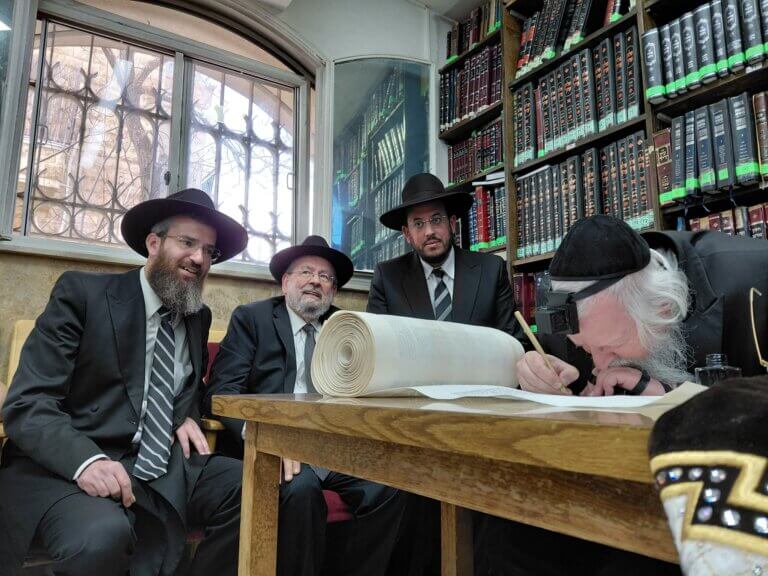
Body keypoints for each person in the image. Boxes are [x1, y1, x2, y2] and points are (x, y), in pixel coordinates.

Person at [0, 188, 248, 576]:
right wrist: (85, 461)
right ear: (154, 243)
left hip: (159, 462)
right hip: (70, 460)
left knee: (253, 486)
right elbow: (29, 403)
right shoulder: (82, 294)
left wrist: (184, 413)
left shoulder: (196, 317)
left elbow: (189, 386)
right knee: (103, 534)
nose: (199, 259)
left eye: (209, 251)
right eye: (187, 242)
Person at [205, 235, 404, 576]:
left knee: (392, 487)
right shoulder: (252, 319)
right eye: (306, 272)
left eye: (325, 277)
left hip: (333, 446)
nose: (315, 281)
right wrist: (266, 438)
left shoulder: (347, 328)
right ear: (285, 282)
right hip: (273, 447)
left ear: (333, 291)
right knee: (302, 491)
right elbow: (221, 394)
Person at [366, 172, 526, 576]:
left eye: (436, 219)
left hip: (483, 418)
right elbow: (376, 351)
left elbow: (510, 342)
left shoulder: (490, 270)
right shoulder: (388, 276)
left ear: (452, 222)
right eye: (418, 224)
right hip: (414, 423)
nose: (430, 231)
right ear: (406, 234)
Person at [516, 214, 768, 397]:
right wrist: (534, 370)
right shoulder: (570, 318)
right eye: (584, 347)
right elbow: (539, 360)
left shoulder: (757, 278)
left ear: (662, 309)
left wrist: (676, 394)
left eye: (613, 345)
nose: (600, 364)